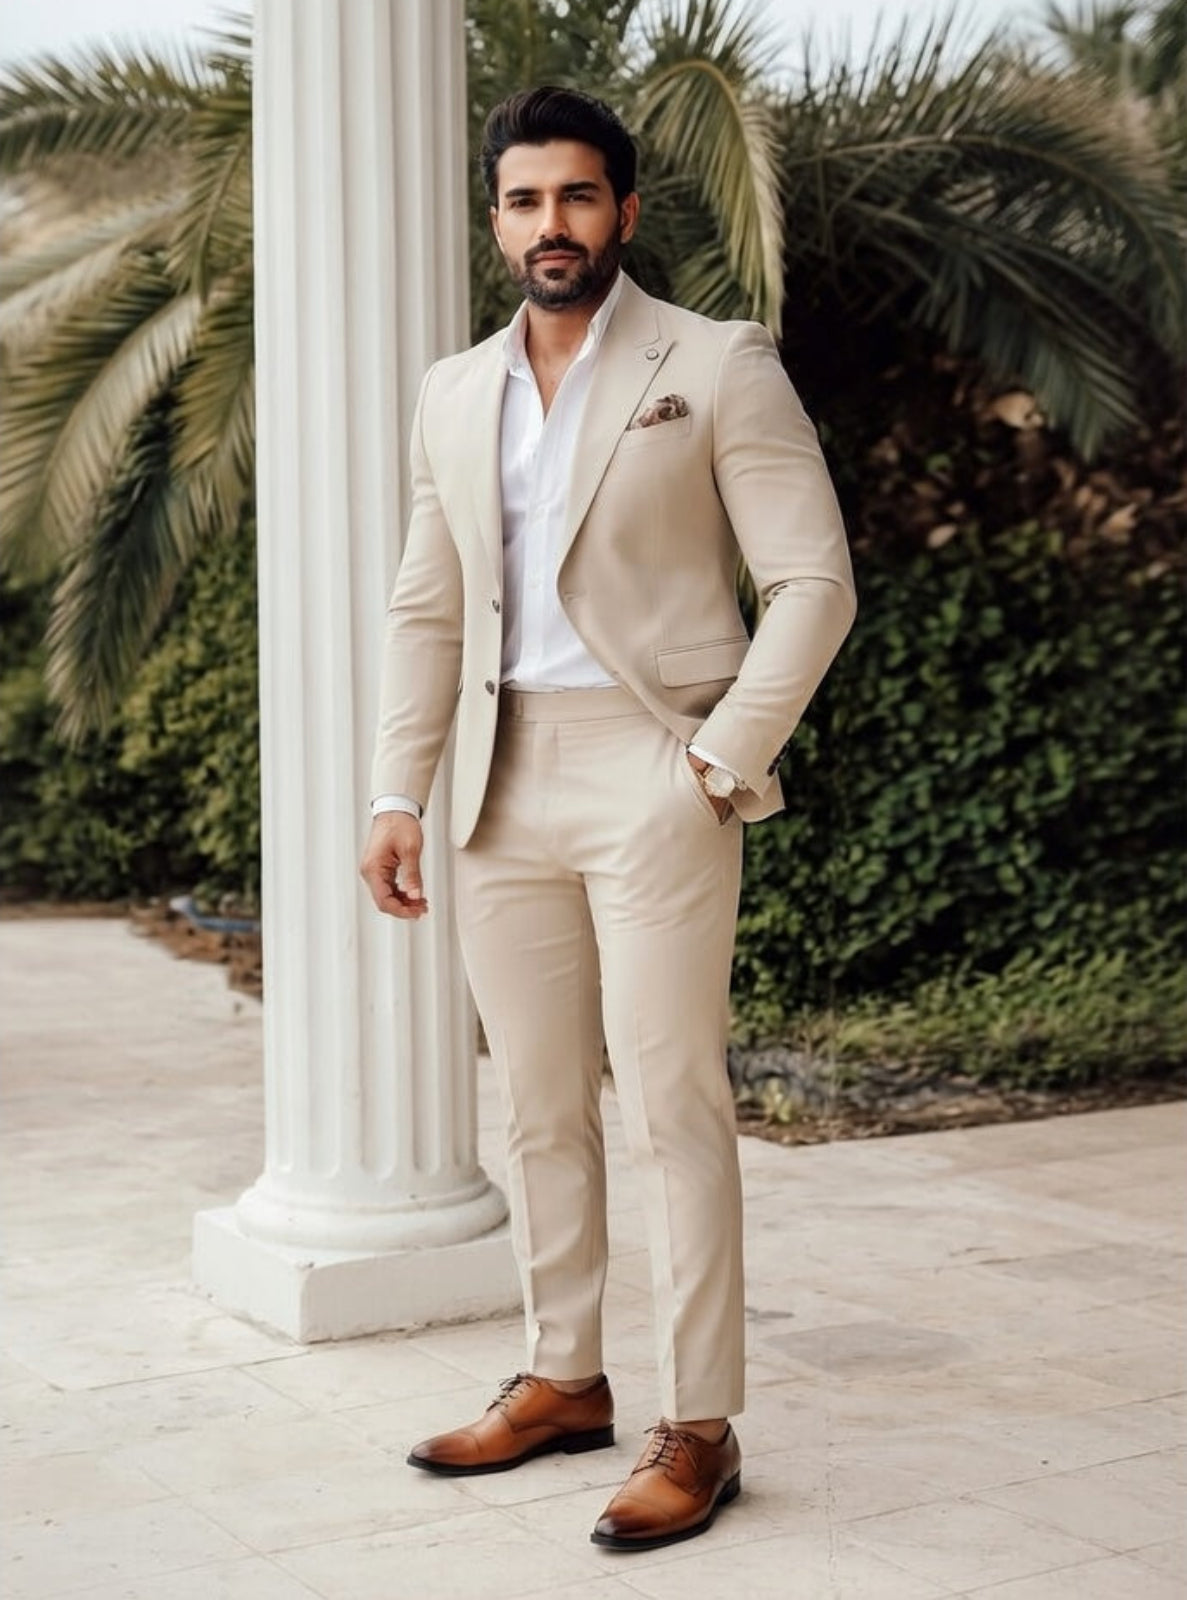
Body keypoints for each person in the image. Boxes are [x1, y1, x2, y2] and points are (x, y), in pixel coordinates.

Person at [360, 86, 855, 1553]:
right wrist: (399, 788)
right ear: (495, 218)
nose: (550, 226)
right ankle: (563, 1377)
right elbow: (426, 603)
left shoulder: (714, 362)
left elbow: (813, 582)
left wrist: (716, 761)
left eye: (577, 198)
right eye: (524, 201)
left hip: (654, 770)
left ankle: (699, 1425)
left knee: (672, 1099)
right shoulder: (455, 389)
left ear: (625, 213)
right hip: (496, 784)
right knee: (534, 1105)